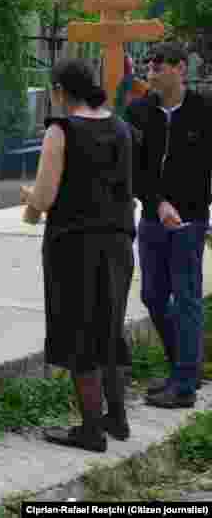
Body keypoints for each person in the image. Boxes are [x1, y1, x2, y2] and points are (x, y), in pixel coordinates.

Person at [21, 57, 135, 452]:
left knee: (80, 334)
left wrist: (29, 200)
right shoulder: (120, 127)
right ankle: (117, 418)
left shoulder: (61, 130)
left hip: (74, 246)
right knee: (109, 329)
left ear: (58, 91)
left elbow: (45, 197)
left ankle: (90, 429)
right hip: (118, 244)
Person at [125, 42, 212, 409]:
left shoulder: (204, 111)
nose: (151, 71)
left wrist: (189, 210)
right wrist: (157, 203)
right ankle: (184, 371)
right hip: (151, 219)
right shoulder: (138, 112)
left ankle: (184, 384)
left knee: (188, 298)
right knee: (153, 296)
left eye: (158, 65)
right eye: (148, 65)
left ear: (178, 68)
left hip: (189, 221)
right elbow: (133, 167)